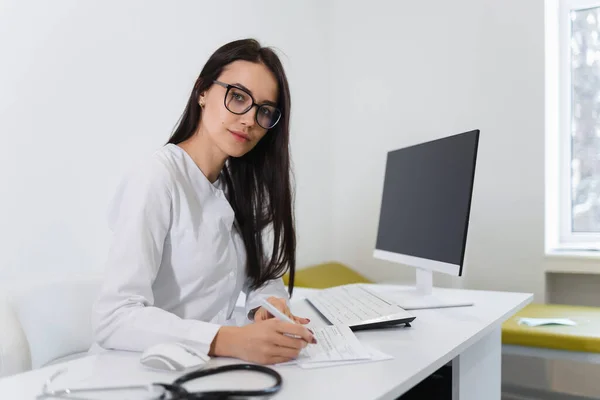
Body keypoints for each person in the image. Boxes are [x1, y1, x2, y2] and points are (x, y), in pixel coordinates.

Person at [91, 38, 316, 365]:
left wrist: (265, 308)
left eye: (264, 110)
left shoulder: (231, 187)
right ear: (202, 92)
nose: (250, 120)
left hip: (197, 367)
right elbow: (113, 317)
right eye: (238, 97)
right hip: (134, 369)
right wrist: (229, 339)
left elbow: (262, 276)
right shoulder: (157, 177)